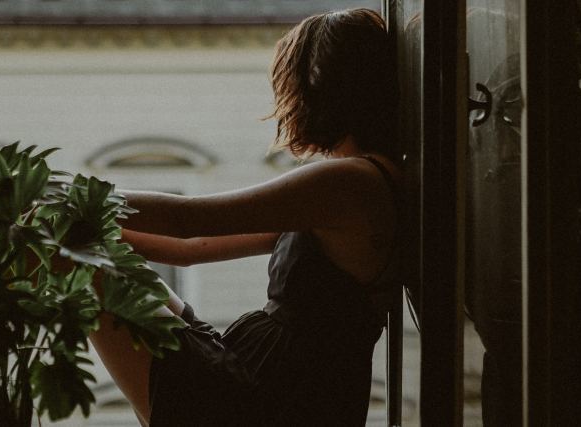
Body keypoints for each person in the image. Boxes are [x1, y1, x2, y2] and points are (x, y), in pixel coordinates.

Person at [89, 8, 404, 426]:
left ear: (315, 89)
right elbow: (190, 249)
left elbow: (190, 220)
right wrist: (99, 236)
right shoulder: (356, 183)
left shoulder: (348, 183)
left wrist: (79, 200)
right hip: (263, 381)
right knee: (85, 257)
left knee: (77, 267)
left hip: (270, 397)